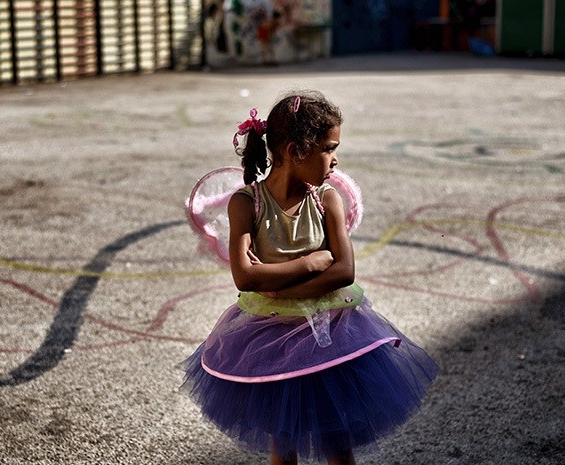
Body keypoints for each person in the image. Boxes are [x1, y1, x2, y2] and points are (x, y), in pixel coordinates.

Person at [181, 90, 439, 465]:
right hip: (270, 339)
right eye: (328, 148)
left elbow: (345, 271)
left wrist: (275, 283)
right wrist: (310, 263)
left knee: (336, 440)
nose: (335, 160)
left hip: (328, 335)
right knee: (282, 442)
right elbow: (245, 276)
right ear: (293, 150)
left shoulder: (326, 199)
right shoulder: (246, 203)